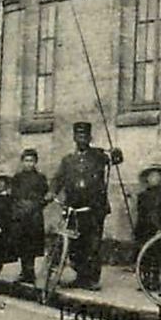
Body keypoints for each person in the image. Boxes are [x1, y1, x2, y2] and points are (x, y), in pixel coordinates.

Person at [52, 121, 122, 291]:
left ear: (90, 138)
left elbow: (117, 159)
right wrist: (52, 192)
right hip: (74, 208)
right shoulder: (68, 160)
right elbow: (58, 179)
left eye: (85, 135)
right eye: (79, 135)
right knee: (76, 245)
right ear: (74, 138)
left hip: (94, 208)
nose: (82, 138)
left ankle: (92, 279)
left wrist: (116, 152)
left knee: (93, 244)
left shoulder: (98, 155)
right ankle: (80, 276)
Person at [9, 148, 50, 285]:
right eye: (26, 161)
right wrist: (20, 207)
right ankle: (24, 271)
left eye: (31, 161)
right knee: (21, 244)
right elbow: (13, 196)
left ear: (35, 162)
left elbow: (44, 196)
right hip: (21, 216)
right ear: (22, 162)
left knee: (32, 244)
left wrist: (36, 205)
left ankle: (30, 271)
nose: (29, 164)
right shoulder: (17, 178)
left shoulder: (40, 178)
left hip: (34, 216)